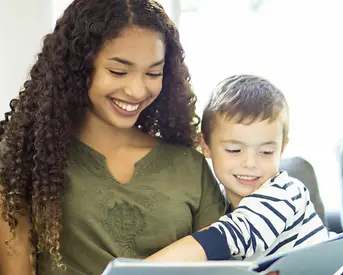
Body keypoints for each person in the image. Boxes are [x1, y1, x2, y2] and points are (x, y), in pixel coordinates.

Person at [0, 1, 227, 274]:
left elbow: (221, 265)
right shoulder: (26, 160)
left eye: (153, 73)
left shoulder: (190, 167)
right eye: (118, 71)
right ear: (79, 69)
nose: (136, 90)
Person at [146, 74, 330, 262]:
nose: (250, 163)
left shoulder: (285, 193)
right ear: (205, 146)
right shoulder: (213, 201)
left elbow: (227, 237)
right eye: (234, 150)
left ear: (281, 149)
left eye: (266, 152)